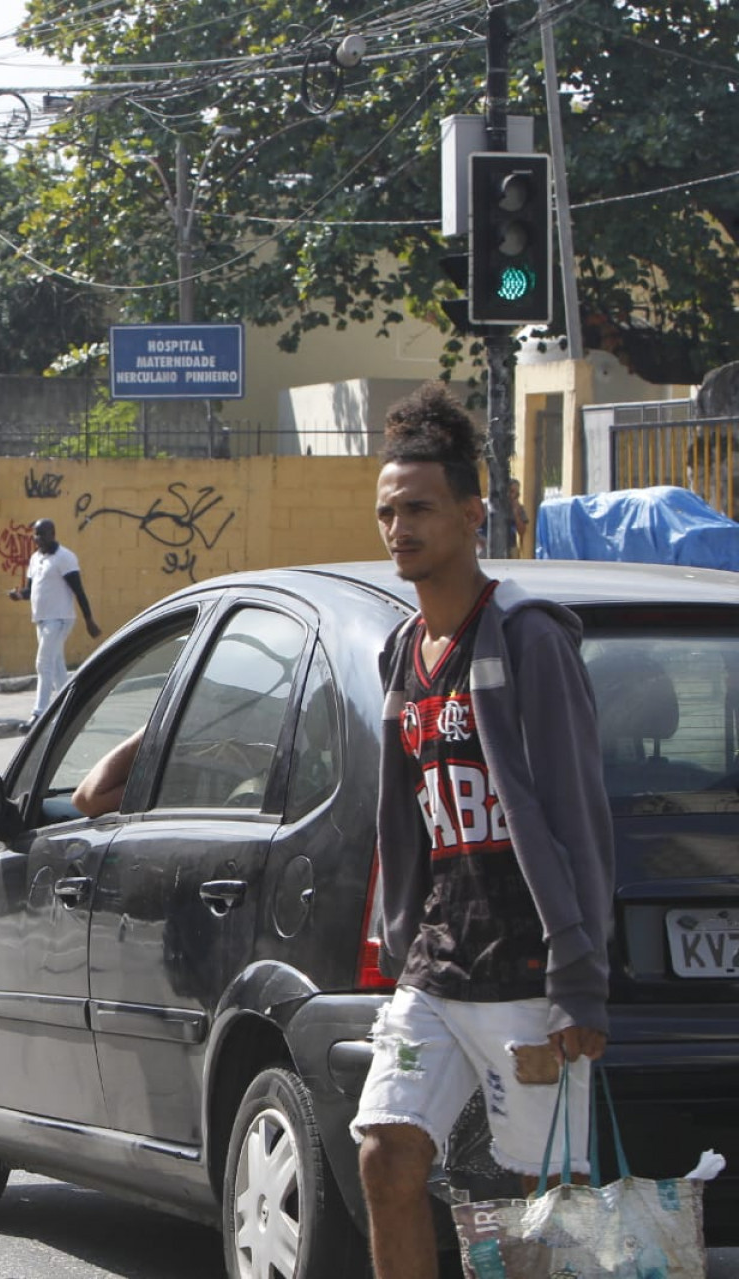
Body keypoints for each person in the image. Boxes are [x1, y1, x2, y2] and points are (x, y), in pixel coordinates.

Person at [353, 383, 613, 1279]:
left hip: (528, 969)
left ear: (473, 513)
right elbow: (407, 818)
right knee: (386, 1151)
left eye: (419, 508)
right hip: (437, 962)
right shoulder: (402, 652)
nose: (399, 528)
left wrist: (580, 980)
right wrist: (397, 933)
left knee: (543, 1206)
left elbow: (578, 813)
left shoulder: (528, 639)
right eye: (388, 511)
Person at [6, 518, 100, 723]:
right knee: (57, 666)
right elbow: (31, 590)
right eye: (35, 534)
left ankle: (39, 714)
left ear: (52, 534)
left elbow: (78, 590)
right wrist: (19, 595)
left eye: (42, 534)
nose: (37, 538)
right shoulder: (35, 558)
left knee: (43, 663)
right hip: (41, 619)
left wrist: (89, 619)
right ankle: (74, 711)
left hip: (59, 619)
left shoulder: (64, 557)